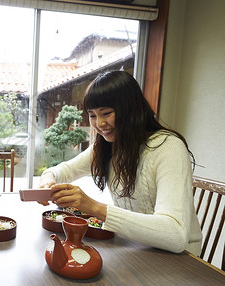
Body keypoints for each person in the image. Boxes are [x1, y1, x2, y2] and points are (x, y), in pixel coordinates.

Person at [39, 70, 202, 256]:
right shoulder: (107, 147)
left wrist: (93, 207)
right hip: (136, 248)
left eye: (106, 113)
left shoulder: (168, 148)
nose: (99, 123)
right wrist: (47, 180)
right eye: (92, 115)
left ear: (131, 109)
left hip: (181, 262)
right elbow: (64, 170)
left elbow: (175, 234)